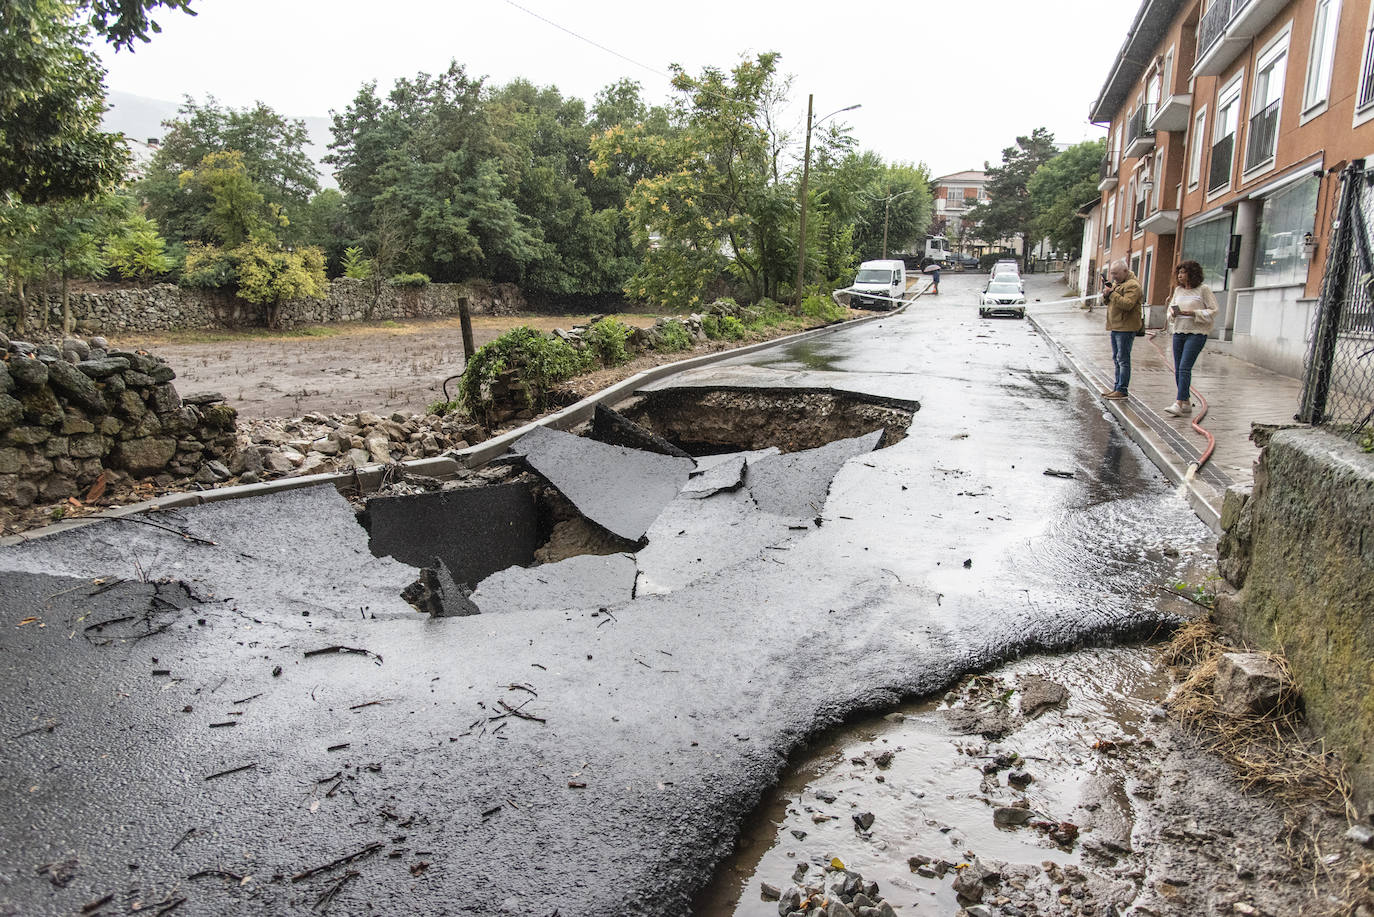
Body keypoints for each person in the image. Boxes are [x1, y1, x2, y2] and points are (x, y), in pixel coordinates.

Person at [1163, 260, 1218, 417]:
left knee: (1185, 367)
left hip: (1196, 333)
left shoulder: (1203, 290)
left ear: (1192, 274)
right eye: (1178, 272)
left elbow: (1214, 310)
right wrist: (1173, 314)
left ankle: (1178, 403)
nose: (1180, 275)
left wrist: (1194, 313)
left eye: (1183, 272)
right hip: (1179, 331)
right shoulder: (1178, 291)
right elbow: (1169, 311)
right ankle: (1186, 402)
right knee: (1178, 368)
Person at [1099, 259, 1142, 400]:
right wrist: (1106, 295)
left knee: (1123, 359)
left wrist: (1112, 293)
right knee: (1116, 358)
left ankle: (1122, 389)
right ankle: (1117, 387)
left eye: (1116, 273)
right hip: (1116, 326)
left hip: (1126, 327)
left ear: (1125, 271)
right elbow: (1109, 302)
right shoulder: (1118, 284)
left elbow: (1127, 304)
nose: (1114, 277)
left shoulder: (1133, 286)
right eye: (1112, 274)